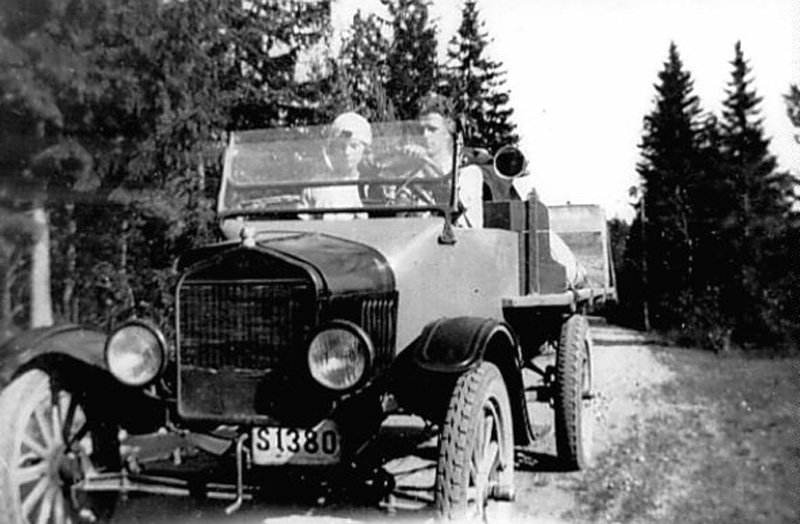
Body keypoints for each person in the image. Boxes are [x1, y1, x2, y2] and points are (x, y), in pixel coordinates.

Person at [401, 93, 484, 228]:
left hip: (458, 239)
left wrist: (426, 162)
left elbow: (452, 205)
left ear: (448, 133)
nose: (425, 136)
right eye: (420, 130)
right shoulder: (414, 174)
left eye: (432, 129)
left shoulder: (469, 173)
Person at [299, 112, 372, 220]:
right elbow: (303, 225)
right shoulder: (316, 186)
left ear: (364, 150)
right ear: (332, 148)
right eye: (341, 146)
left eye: (354, 146)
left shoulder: (370, 187)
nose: (347, 152)